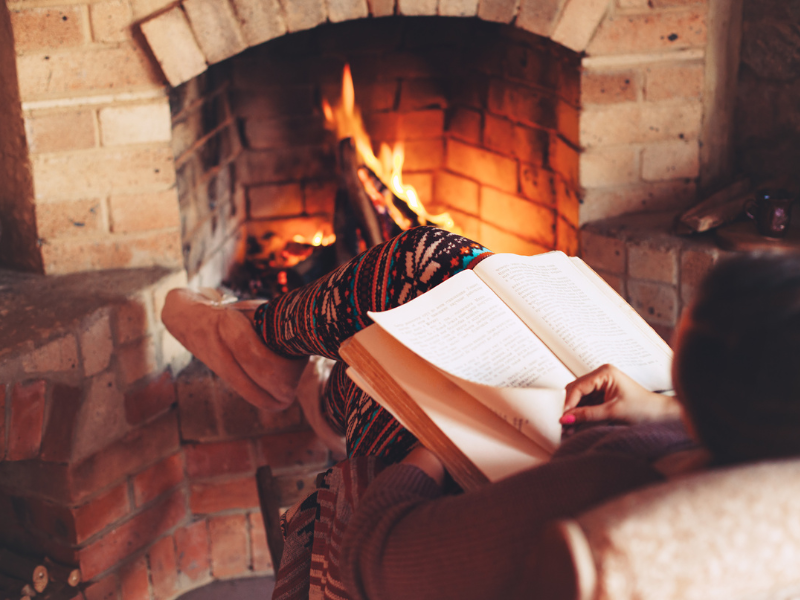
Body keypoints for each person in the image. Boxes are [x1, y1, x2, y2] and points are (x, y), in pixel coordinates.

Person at [162, 227, 800, 600]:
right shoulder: (761, 462)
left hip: (395, 535)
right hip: (575, 442)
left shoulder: (610, 501)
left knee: (382, 350)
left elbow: (375, 558)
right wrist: (664, 406)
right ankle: (284, 359)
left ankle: (264, 347)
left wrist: (434, 440)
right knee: (430, 263)